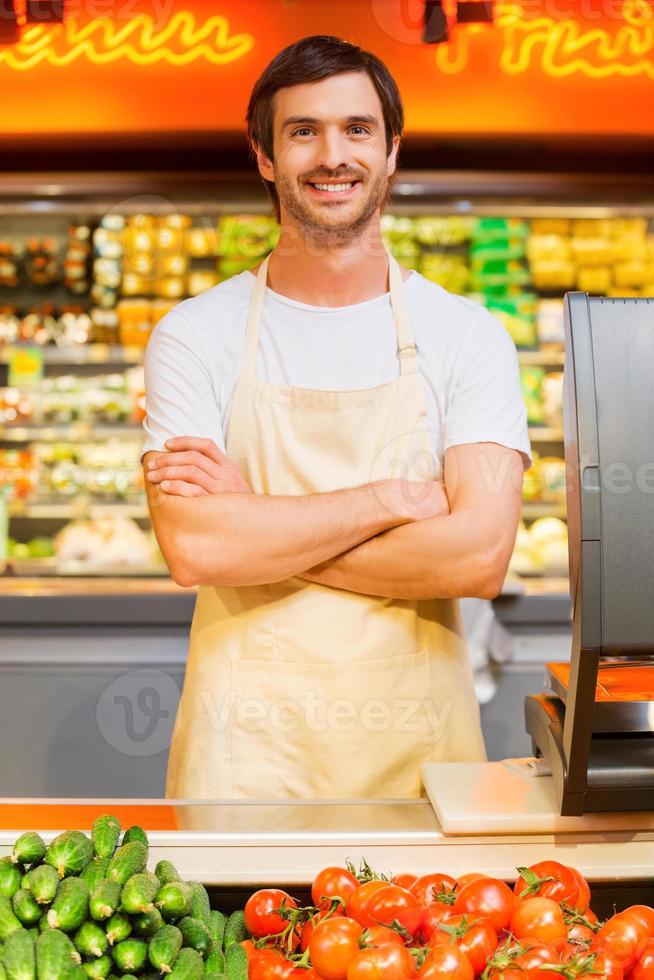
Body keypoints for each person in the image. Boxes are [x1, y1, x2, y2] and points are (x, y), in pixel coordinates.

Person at [142, 34, 532, 801]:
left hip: (421, 756)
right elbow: (193, 547)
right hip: (245, 757)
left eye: (357, 129)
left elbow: (478, 558)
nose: (333, 155)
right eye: (302, 131)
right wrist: (388, 503)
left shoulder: (468, 334)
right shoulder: (193, 333)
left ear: (391, 153)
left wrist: (253, 522)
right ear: (264, 155)